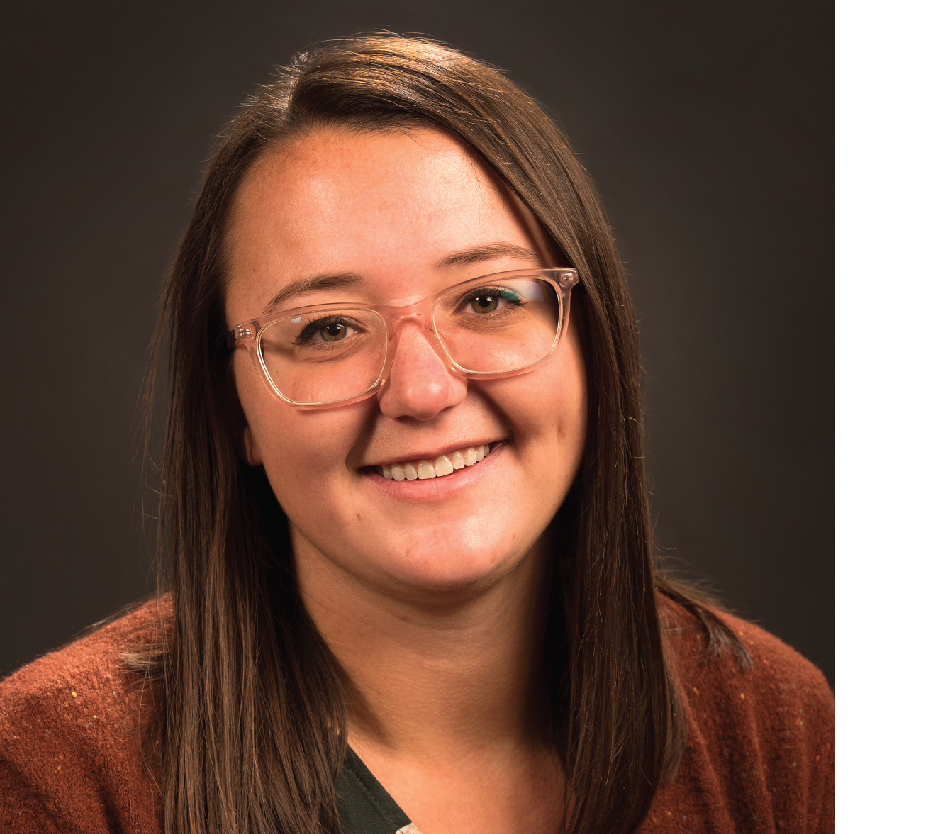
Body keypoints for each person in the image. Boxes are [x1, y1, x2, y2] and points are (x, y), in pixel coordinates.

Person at [0, 34, 833, 834]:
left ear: (593, 341)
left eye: (486, 299)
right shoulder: (55, 777)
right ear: (234, 413)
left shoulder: (769, 728)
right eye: (327, 327)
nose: (423, 391)